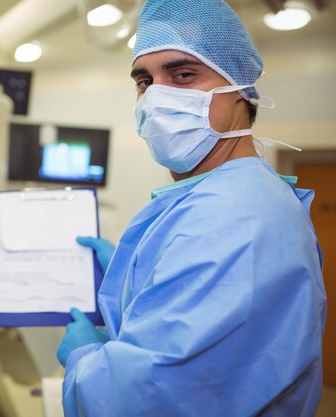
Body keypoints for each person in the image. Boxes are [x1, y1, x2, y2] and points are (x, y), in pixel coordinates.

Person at [59, 1, 326, 416]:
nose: (158, 96)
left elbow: (149, 399)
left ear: (240, 88)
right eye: (145, 81)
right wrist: (137, 280)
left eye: (183, 74)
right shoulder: (230, 195)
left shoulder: (232, 216)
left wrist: (84, 360)